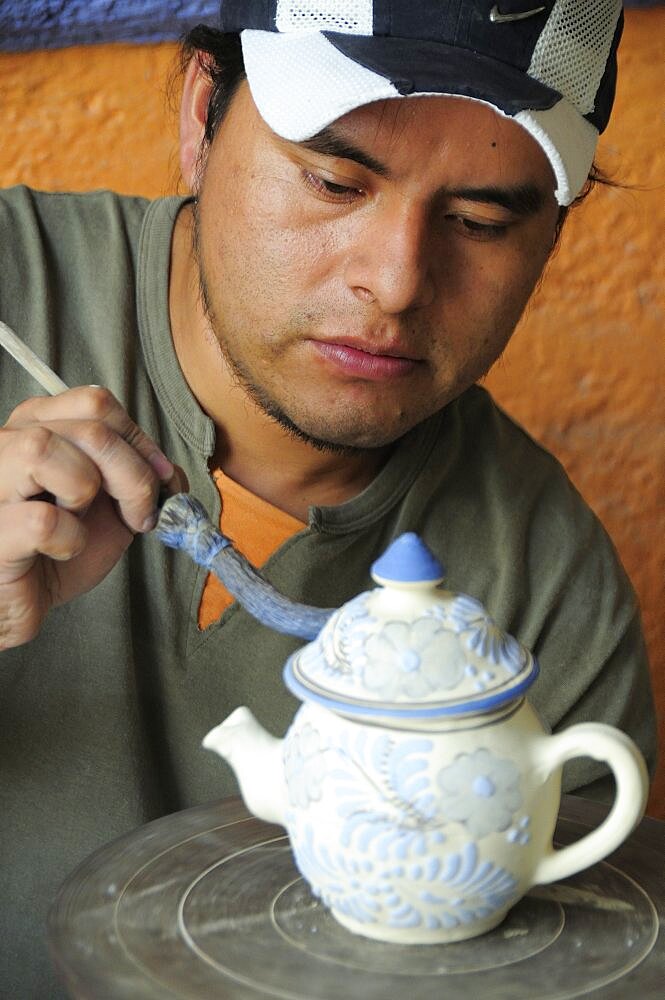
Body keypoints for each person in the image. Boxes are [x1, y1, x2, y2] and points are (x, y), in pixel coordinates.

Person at [0, 1, 657, 995]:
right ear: (199, 118)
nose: (394, 282)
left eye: (479, 220)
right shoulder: (16, 291)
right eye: (333, 180)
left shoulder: (547, 588)